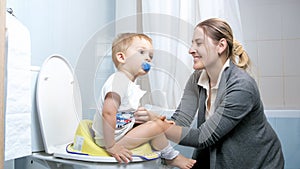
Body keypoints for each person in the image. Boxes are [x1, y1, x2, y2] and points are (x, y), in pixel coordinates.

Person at [134, 18, 285, 169]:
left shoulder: (241, 86)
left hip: (260, 163)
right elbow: (180, 121)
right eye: (192, 43)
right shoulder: (197, 78)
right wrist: (151, 120)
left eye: (199, 43)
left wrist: (156, 125)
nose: (191, 49)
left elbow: (202, 137)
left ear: (221, 46)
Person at [92, 33, 196, 169]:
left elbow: (128, 114)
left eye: (150, 56)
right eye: (141, 52)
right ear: (122, 57)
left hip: (119, 133)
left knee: (156, 124)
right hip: (111, 139)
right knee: (156, 127)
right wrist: (111, 146)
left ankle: (166, 151)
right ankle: (171, 157)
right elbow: (108, 113)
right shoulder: (118, 81)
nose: (148, 58)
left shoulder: (128, 84)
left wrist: (158, 120)